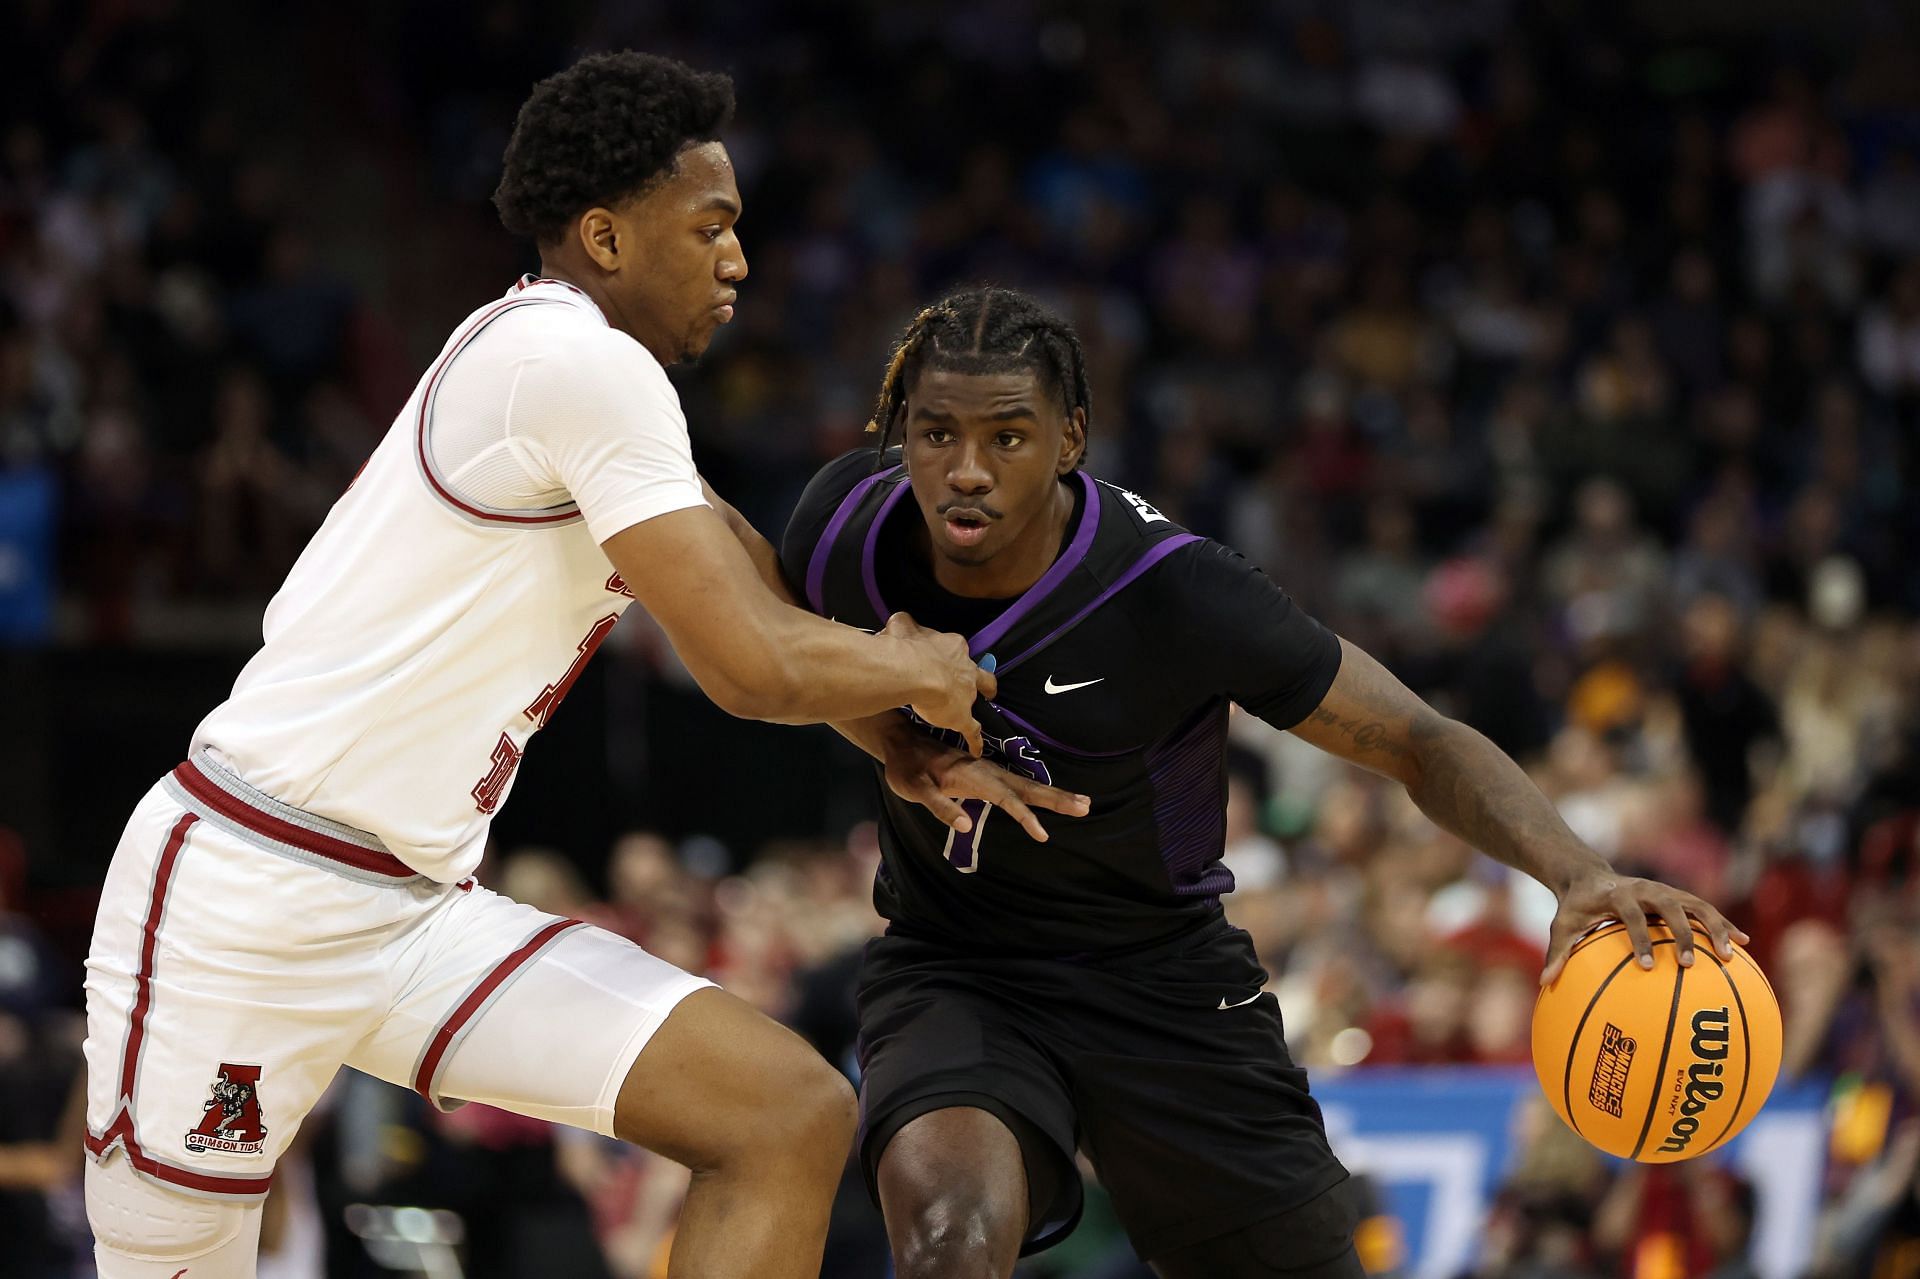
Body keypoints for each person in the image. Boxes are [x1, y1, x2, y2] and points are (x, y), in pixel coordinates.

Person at [80, 53, 1009, 1279]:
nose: (739, 261)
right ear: (606, 236)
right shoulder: (572, 362)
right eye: (712, 226)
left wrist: (894, 742)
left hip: (411, 909)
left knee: (784, 1112)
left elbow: (753, 589)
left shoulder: (593, 380)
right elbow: (750, 665)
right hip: (250, 890)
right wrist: (924, 668)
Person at [778, 286, 1750, 1279]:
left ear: (1071, 438)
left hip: (1161, 979)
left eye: (1008, 436)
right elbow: (757, 644)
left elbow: (1416, 739)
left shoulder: (1174, 590)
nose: (967, 470)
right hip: (958, 966)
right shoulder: (845, 527)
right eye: (935, 433)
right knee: (947, 1244)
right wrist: (886, 734)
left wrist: (1576, 871)